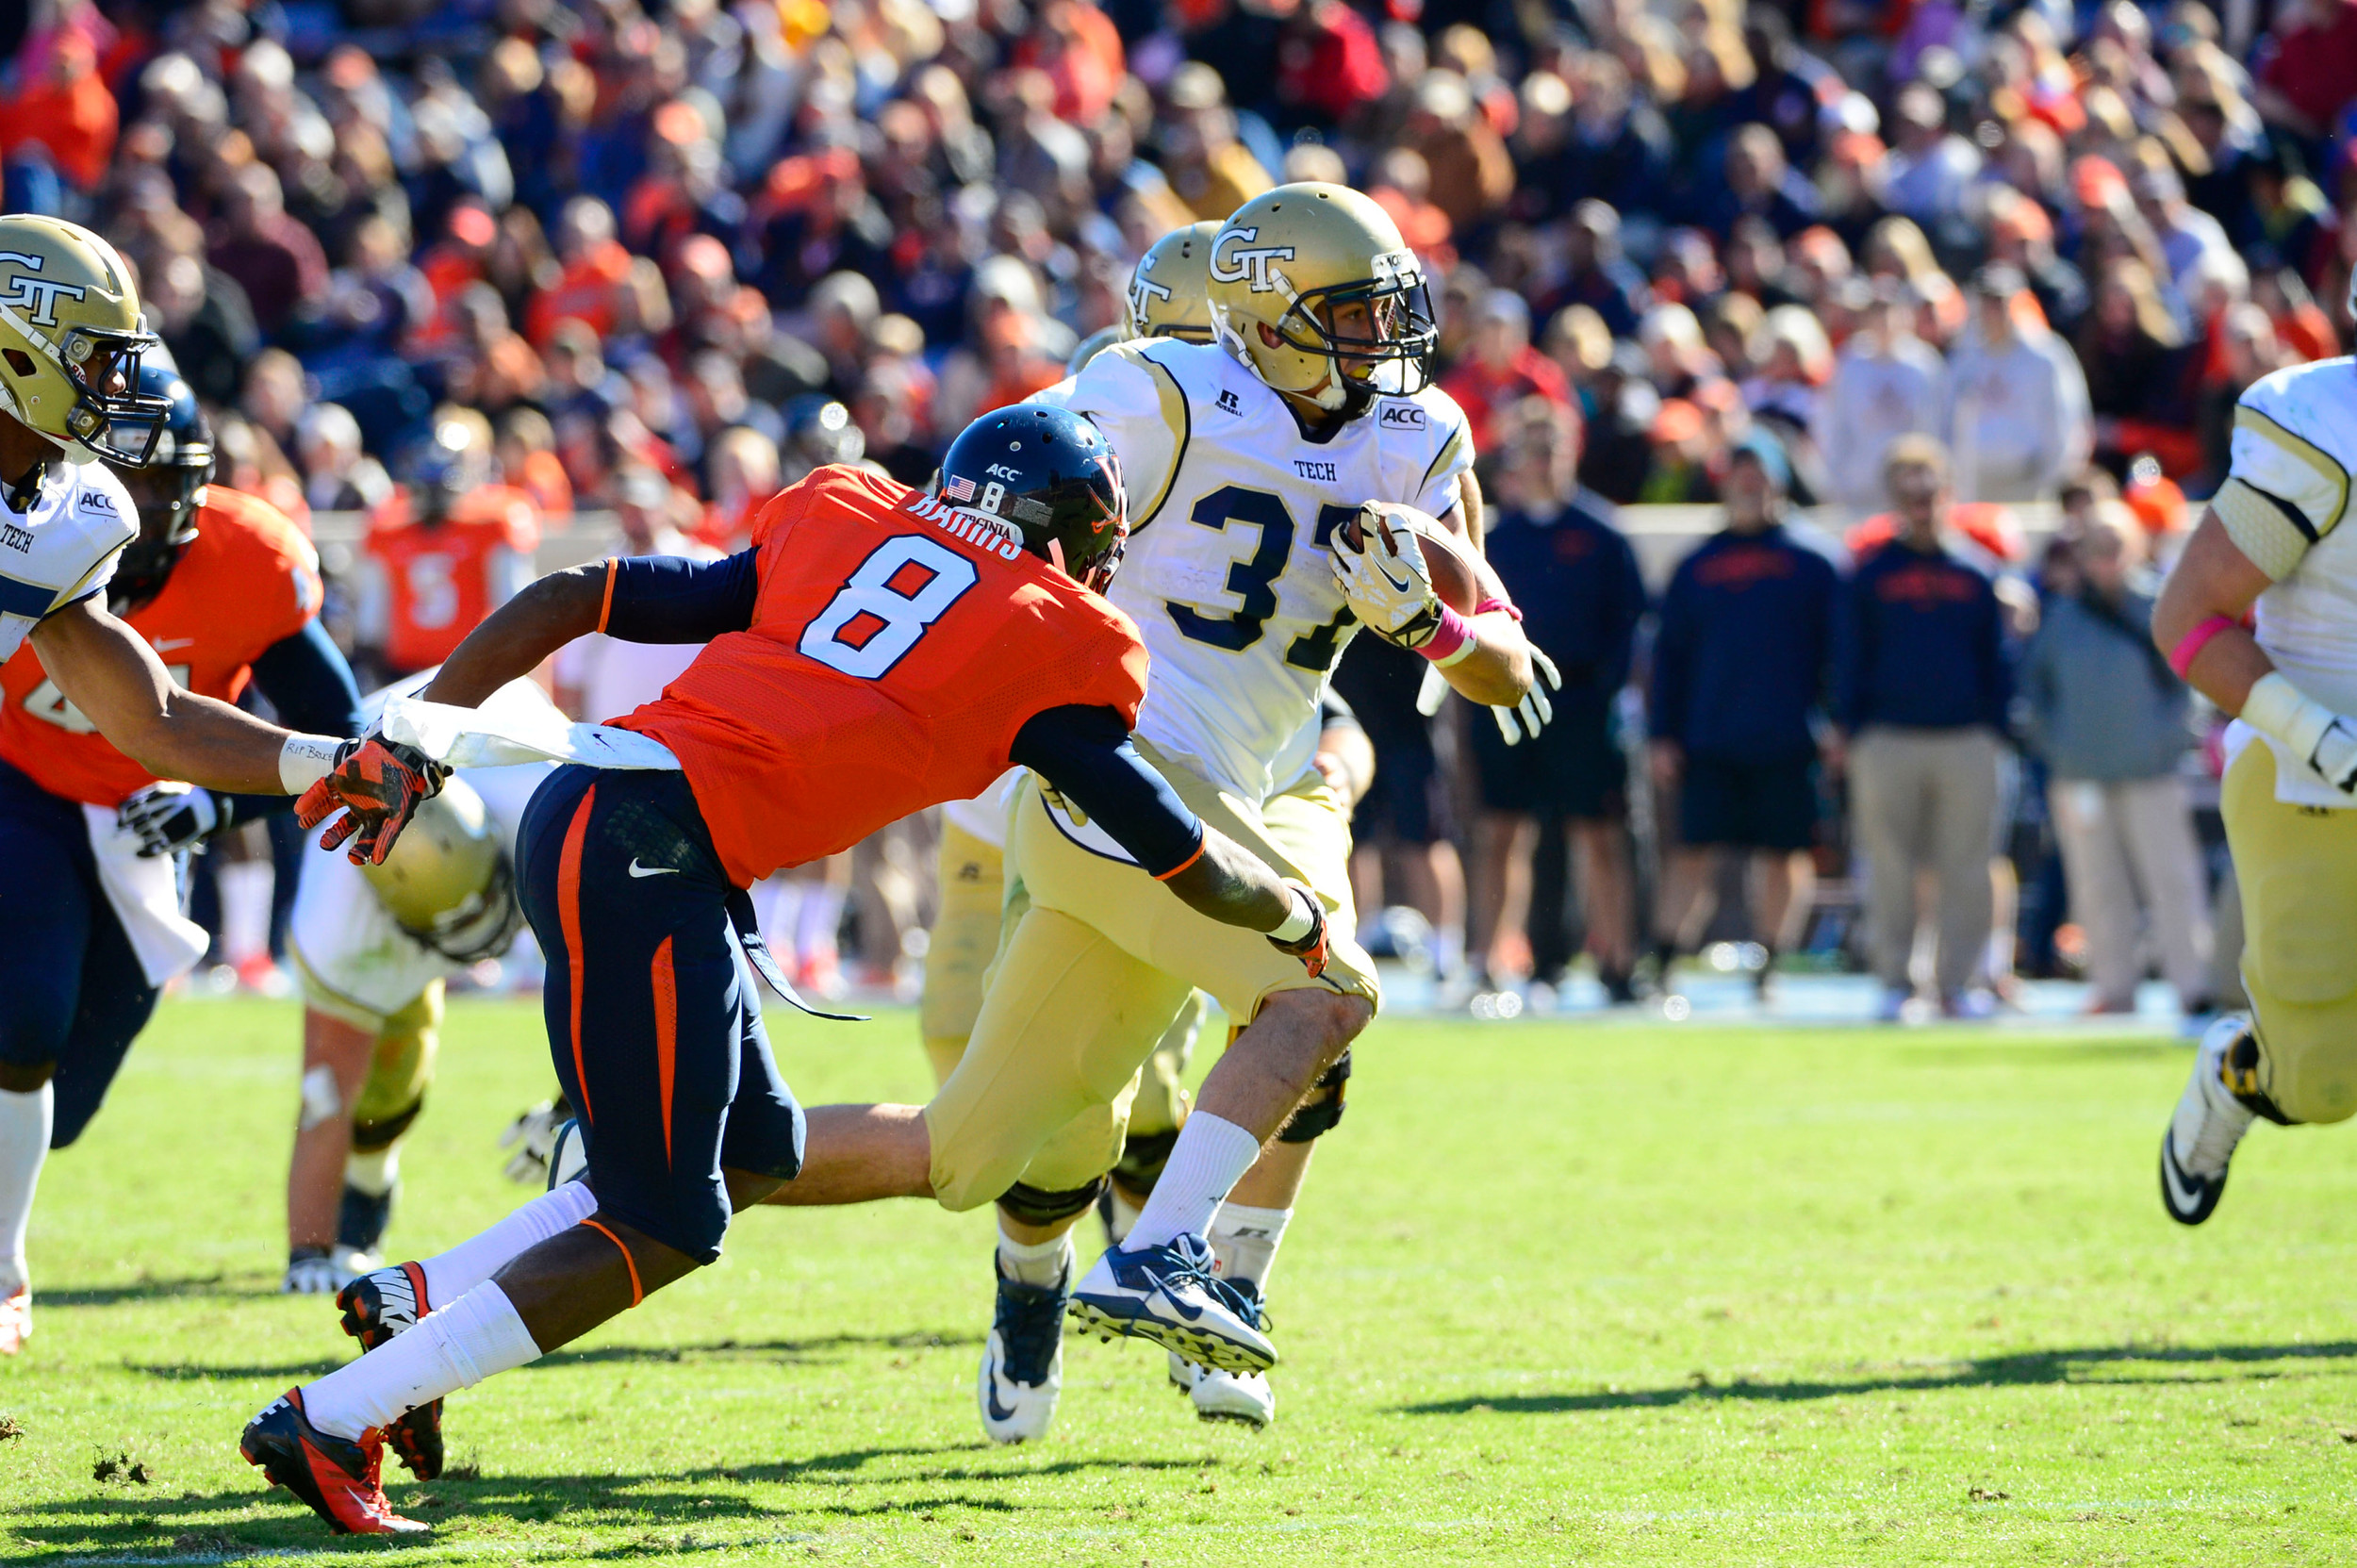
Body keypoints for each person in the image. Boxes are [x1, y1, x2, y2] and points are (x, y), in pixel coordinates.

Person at [239, 405, 1335, 1533]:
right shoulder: (1056, 635)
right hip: (652, 853)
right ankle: (331, 1417)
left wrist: (418, 729)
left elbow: (573, 596)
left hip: (597, 807)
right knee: (665, 1218)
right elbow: (1174, 847)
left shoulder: (845, 517)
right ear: (1068, 538)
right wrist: (1289, 916)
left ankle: (410, 1311)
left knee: (754, 1151)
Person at [757, 185, 1541, 1444]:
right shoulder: (1162, 389)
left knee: (966, 1150)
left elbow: (1504, 663)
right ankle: (1163, 1252)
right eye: (1349, 309)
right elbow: (995, 474)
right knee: (1318, 991)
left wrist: (1433, 628)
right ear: (1273, 316)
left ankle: (659, 1155)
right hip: (1120, 773)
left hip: (1255, 779)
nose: (1384, 335)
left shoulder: (1416, 429)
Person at [0, 278, 381, 1360]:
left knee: (54, 1099)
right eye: (93, 363)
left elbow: (155, 714)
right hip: (20, 785)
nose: (111, 410)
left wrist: (318, 768)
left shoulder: (66, 524)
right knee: (20, 1015)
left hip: (125, 820)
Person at [2153, 323, 2357, 1226]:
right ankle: (2244, 1068)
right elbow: (2190, 621)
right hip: (2316, 778)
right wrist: (2320, 736)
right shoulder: (2323, 421)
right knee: (2320, 1081)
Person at [280, 681, 553, 1299]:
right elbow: (323, 1093)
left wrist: (576, 1107)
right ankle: (367, 1192)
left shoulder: (539, 800)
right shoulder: (341, 915)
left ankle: (368, 1192)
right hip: (378, 772)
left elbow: (622, 986)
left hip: (496, 732)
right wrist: (308, 1250)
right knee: (387, 1065)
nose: (483, 944)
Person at [1649, 433, 1839, 999]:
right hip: (1710, 734)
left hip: (1788, 733)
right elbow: (1669, 659)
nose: (1751, 488)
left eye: (1761, 477)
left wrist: (1837, 724)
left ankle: (1771, 964)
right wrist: (1663, 734)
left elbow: (1840, 654)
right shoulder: (1698, 566)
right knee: (1694, 853)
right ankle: (1661, 963)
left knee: (1785, 855)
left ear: (1780, 484)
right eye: (1741, 476)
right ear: (1725, 484)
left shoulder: (1814, 561)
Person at [1468, 398, 1644, 1001]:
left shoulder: (1601, 534)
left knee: (1599, 832)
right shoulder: (1494, 538)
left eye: (1553, 447)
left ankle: (1618, 963)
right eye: (1531, 448)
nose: (1543, 461)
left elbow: (1628, 626)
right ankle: (1490, 961)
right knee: (1500, 831)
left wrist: (1605, 695)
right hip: (1505, 700)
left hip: (1582, 703)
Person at [1835, 436, 2014, 1020]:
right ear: (1892, 496)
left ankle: (1958, 983)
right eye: (1907, 487)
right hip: (1887, 736)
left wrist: (1994, 728)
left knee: (1968, 865)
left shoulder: (1979, 571)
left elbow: (1999, 661)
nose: (1919, 498)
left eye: (1928, 485)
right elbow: (1847, 655)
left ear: (1948, 492)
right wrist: (1849, 727)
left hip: (1966, 738)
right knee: (1888, 867)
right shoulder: (1869, 574)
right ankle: (1895, 979)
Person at [2018, 506, 2211, 1016]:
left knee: (2172, 881)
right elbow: (2036, 692)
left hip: (2151, 772)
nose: (2105, 559)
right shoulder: (2062, 616)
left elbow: (2191, 682)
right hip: (2080, 773)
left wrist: (2169, 745)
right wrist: (2056, 748)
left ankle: (2192, 986)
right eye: (2095, 548)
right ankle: (2114, 987)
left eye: (2114, 545)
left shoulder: (2162, 604)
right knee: (2097, 887)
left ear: (2136, 547)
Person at [357, 421, 541, 682]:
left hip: (465, 669)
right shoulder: (388, 529)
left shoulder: (493, 523)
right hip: (420, 669)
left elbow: (370, 626)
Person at [1943, 265, 2093, 504]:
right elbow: (1947, 422)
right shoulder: (1963, 358)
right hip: (1974, 486)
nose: (1992, 310)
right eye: (1986, 301)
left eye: (1999, 301)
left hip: (2029, 483)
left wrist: (2053, 480)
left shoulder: (2046, 356)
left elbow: (2068, 421)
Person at [1815, 280, 1946, 518]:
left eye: (1889, 311)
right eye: (1877, 312)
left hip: (1912, 489)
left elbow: (1937, 426)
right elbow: (1833, 425)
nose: (1884, 320)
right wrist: (1835, 478)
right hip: (1860, 486)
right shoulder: (1849, 363)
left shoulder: (1924, 364)